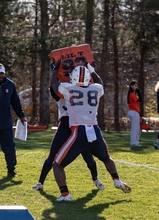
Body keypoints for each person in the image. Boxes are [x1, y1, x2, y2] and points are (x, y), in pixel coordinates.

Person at [52, 66, 131, 201]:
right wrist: (92, 69)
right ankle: (116, 179)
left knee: (57, 164)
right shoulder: (96, 88)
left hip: (78, 131)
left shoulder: (68, 88)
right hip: (94, 130)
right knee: (106, 158)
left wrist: (55, 69)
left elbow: (54, 85)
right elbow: (99, 82)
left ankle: (65, 194)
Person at [32, 62, 105, 191]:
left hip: (78, 125)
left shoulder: (78, 90)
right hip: (66, 125)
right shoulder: (65, 89)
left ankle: (95, 179)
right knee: (52, 156)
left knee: (88, 157)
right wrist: (54, 71)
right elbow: (53, 86)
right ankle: (40, 182)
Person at [127, 80, 142, 147]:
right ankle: (134, 142)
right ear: (131, 86)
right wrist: (138, 93)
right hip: (133, 112)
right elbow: (140, 99)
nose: (136, 87)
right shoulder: (132, 94)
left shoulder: (133, 94)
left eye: (136, 85)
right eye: (135, 85)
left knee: (137, 129)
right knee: (135, 128)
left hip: (134, 112)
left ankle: (136, 142)